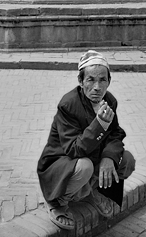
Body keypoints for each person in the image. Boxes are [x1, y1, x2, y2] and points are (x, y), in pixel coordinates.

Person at [37, 50, 135, 231]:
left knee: (126, 160)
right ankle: (57, 202)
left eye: (102, 80)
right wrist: (99, 125)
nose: (97, 87)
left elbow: (116, 134)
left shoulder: (109, 101)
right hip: (61, 163)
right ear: (81, 81)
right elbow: (74, 150)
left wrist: (108, 158)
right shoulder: (68, 105)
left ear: (109, 81)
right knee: (85, 166)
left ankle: (93, 190)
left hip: (93, 155)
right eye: (91, 80)